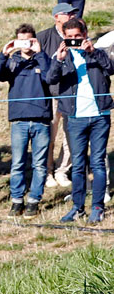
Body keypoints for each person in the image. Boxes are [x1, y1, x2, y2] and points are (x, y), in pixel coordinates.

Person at [45, 18, 111, 223]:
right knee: (79, 164)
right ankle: (77, 207)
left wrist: (94, 52)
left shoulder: (97, 52)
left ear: (85, 34)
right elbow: (50, 79)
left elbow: (111, 68)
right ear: (64, 37)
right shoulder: (62, 56)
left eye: (77, 36)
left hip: (99, 116)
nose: (74, 40)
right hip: (74, 118)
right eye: (69, 37)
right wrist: (59, 60)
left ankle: (98, 206)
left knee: (98, 163)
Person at [0, 24, 51, 217]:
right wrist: (4, 53)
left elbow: (51, 77)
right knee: (17, 163)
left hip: (41, 120)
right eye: (21, 40)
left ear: (35, 40)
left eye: (29, 40)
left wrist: (40, 54)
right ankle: (17, 200)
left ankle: (34, 200)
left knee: (39, 164)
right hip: (18, 120)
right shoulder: (13, 62)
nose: (25, 44)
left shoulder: (44, 59)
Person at [38, 2, 78, 187]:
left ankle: (62, 170)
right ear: (57, 17)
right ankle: (46, 172)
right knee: (49, 136)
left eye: (73, 14)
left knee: (70, 137)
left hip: (72, 95)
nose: (72, 17)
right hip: (50, 96)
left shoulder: (78, 35)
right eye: (68, 14)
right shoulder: (43, 37)